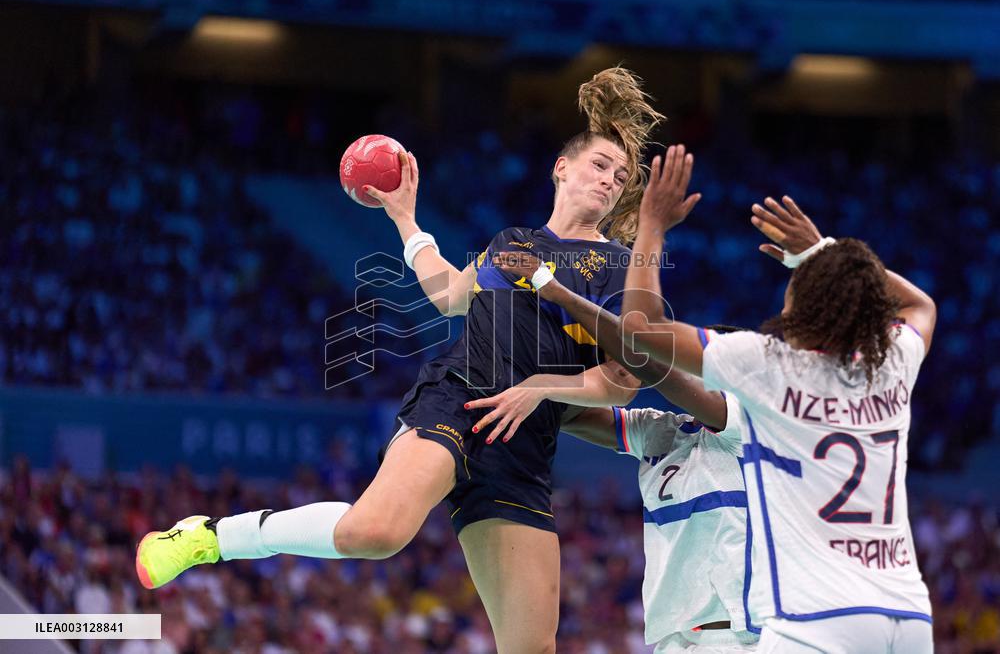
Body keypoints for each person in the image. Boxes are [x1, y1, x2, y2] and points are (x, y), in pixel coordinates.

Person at [135, 67, 665, 653]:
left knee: (532, 647)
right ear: (561, 168)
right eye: (599, 164)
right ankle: (211, 536)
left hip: (525, 444)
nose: (611, 181)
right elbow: (449, 295)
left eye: (620, 177)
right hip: (457, 400)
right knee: (377, 531)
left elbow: (622, 383)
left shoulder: (622, 267)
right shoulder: (511, 240)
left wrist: (542, 387)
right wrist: (407, 221)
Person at [617, 144, 936, 653]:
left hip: (817, 618)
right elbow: (919, 303)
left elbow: (639, 331)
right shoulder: (891, 363)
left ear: (798, 310)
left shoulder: (769, 366)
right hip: (907, 615)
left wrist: (650, 226)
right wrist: (821, 251)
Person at [466, 251, 759, 652]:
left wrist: (560, 295)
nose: (688, 365)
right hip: (671, 638)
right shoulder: (662, 432)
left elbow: (655, 368)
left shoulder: (751, 425)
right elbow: (571, 414)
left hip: (738, 636)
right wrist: (530, 369)